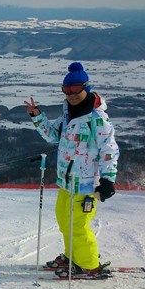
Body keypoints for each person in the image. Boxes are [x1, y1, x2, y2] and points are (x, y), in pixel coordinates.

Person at [24, 62, 119, 277]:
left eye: (75, 89)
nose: (71, 94)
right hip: (66, 182)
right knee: (64, 221)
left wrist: (108, 179)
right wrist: (37, 116)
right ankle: (72, 256)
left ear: (86, 86)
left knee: (78, 226)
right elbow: (52, 135)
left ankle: (89, 264)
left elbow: (109, 150)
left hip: (86, 185)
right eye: (66, 90)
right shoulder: (68, 114)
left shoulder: (97, 120)